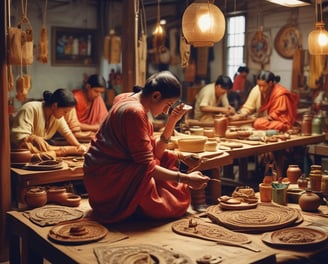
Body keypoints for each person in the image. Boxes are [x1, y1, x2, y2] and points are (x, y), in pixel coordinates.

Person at [83, 71, 210, 224]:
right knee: (171, 202)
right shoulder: (134, 112)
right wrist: (187, 178)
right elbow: (146, 166)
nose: (166, 111)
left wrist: (173, 122)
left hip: (104, 172)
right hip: (107, 179)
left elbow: (154, 151)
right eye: (168, 105)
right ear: (156, 96)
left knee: (166, 167)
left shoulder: (127, 98)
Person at [10, 88, 87, 157]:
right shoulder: (30, 108)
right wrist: (33, 138)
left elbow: (67, 133)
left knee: (49, 150)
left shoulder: (57, 116)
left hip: (37, 151)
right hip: (18, 152)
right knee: (32, 148)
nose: (65, 115)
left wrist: (78, 146)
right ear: (55, 106)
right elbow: (18, 137)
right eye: (65, 112)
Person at [231, 70, 299, 132]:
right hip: (264, 120)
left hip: (277, 121)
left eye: (263, 86)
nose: (261, 88)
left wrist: (260, 119)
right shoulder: (257, 89)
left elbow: (277, 115)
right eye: (259, 85)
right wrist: (241, 115)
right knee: (250, 122)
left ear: (270, 83)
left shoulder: (280, 94)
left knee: (258, 123)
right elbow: (248, 107)